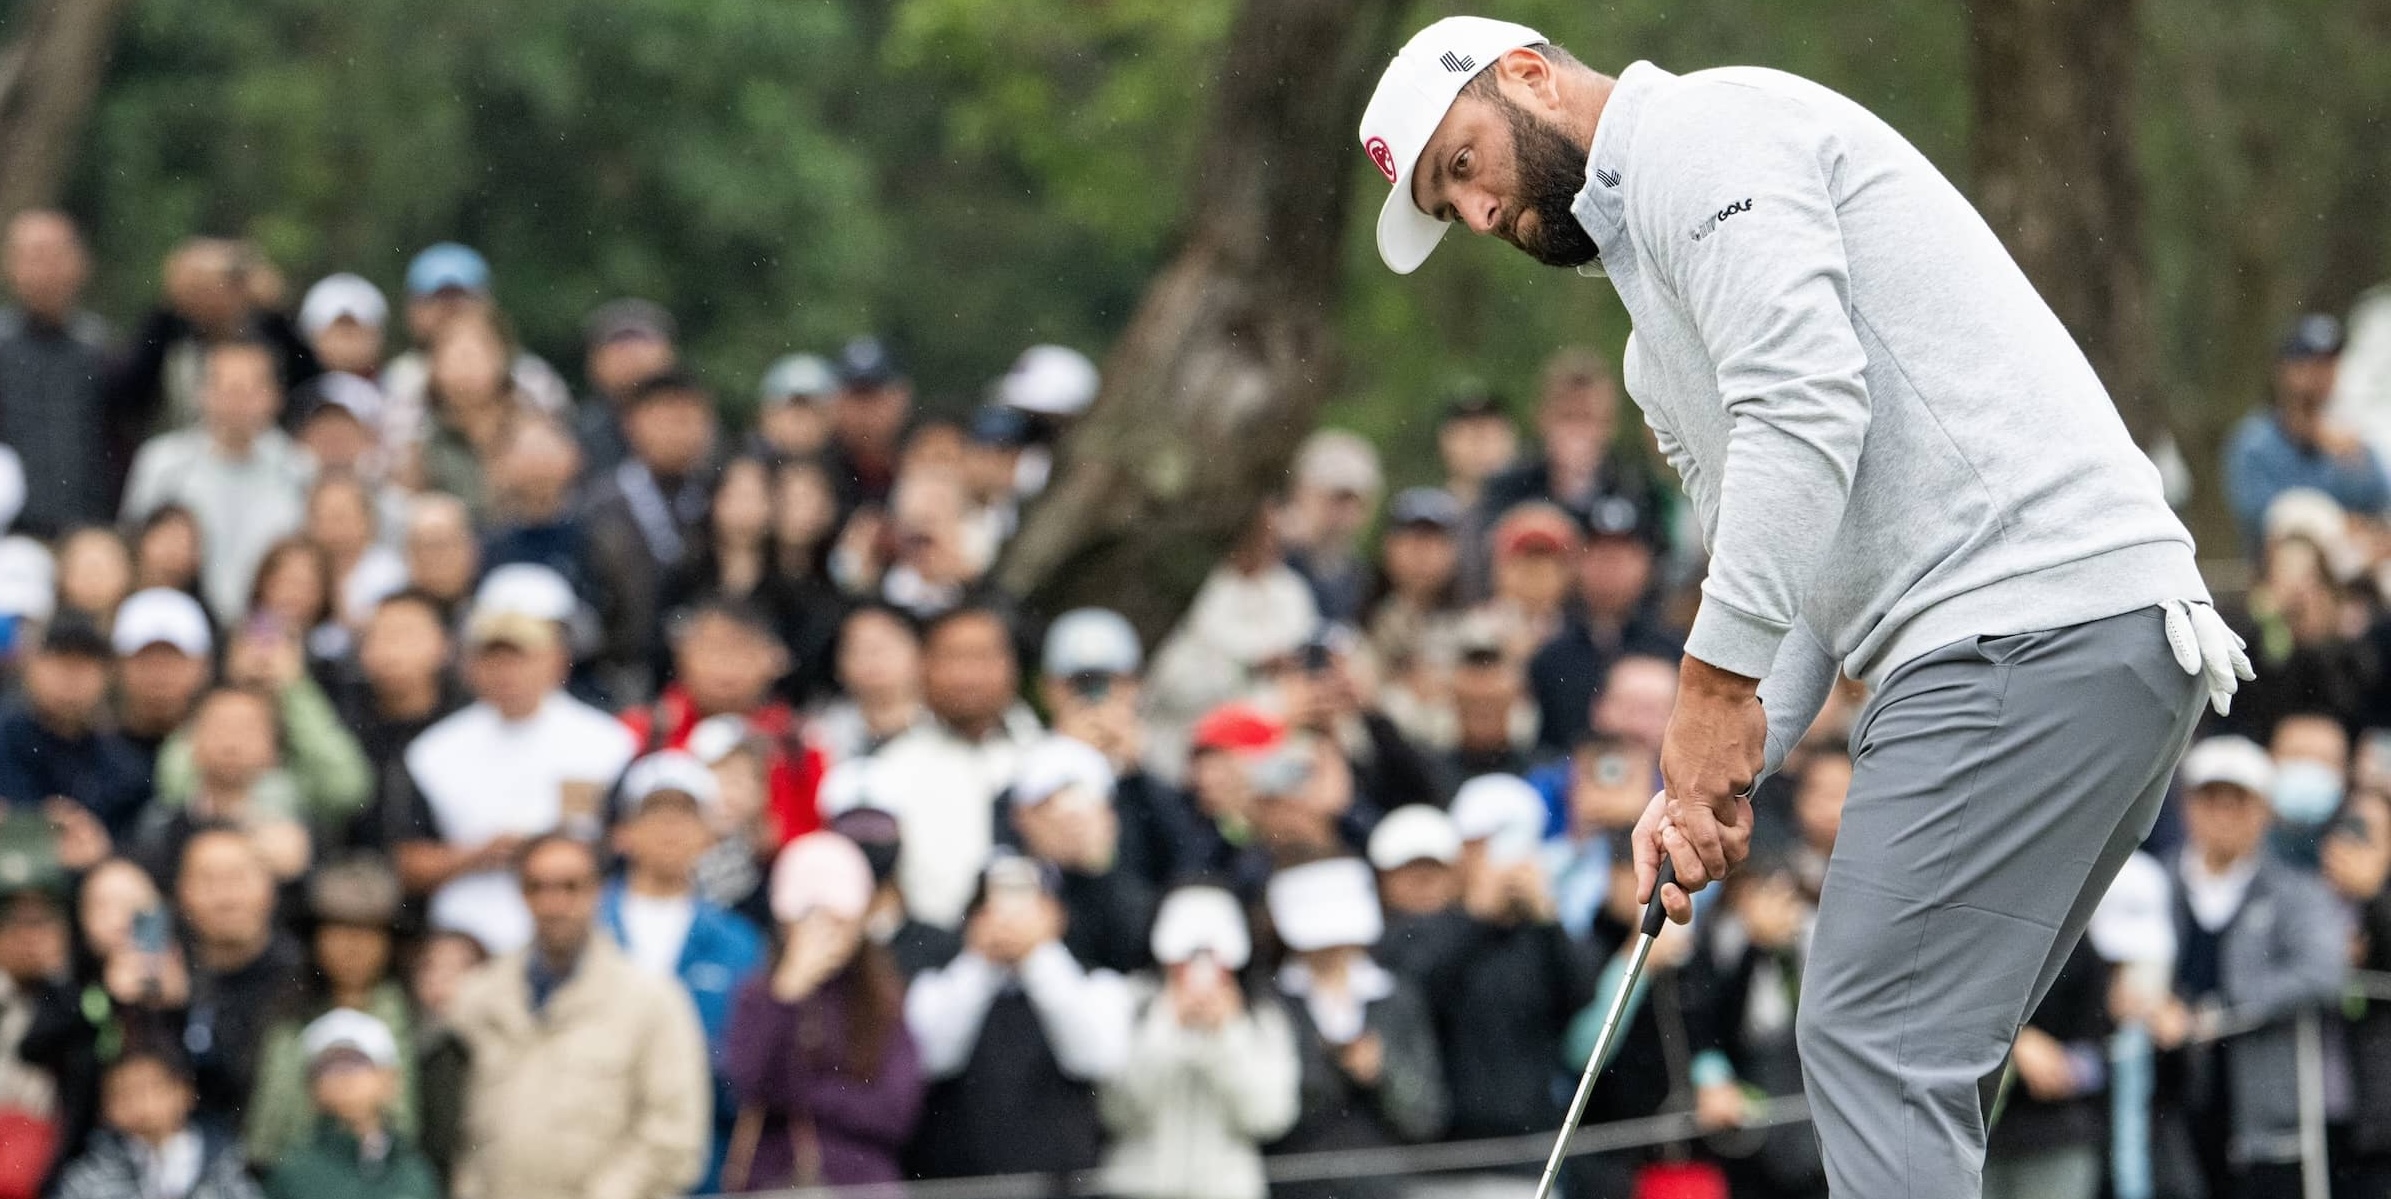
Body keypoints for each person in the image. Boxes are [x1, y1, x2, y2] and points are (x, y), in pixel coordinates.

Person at [1366, 21, 2247, 1192]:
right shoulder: (1650, 351)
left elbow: (1806, 406)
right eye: (1448, 205)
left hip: (2026, 623)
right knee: (1922, 1058)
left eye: (1463, 166)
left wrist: (1708, 690)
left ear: (1526, 75)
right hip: (2081, 637)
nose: (1476, 214)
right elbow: (1800, 578)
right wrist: (1708, 779)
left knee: (1870, 1038)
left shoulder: (1706, 131)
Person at [448, 834, 711, 1199]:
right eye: (537, 887)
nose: (554, 903)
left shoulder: (651, 1001)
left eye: (571, 887)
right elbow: (456, 1133)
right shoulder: (479, 997)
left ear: (598, 892)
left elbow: (674, 1135)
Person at [392, 569, 638, 954]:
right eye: (492, 657)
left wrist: (551, 853)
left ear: (557, 658)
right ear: (471, 664)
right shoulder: (433, 752)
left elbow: (627, 842)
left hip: (578, 940)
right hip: (468, 940)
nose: (505, 671)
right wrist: (474, 856)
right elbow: (407, 862)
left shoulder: (607, 744)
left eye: (520, 657)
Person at [2151, 736, 2348, 1199]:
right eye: (2210, 799)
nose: (2223, 814)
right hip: (2164, 1103)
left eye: (2238, 802)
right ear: (2187, 806)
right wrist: (2151, 1004)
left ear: (2263, 811)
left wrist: (2222, 1011)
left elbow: (2323, 973)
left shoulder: (2295, 893)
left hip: (2259, 1107)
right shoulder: (2156, 883)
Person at [903, 853, 1135, 1180]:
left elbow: (1096, 1058)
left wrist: (1038, 959)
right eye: (992, 907)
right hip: (964, 1186)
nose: (1007, 919)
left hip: (1060, 1187)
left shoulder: (1096, 985)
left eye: (1025, 905)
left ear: (1055, 913)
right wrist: (982, 963)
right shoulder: (937, 986)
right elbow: (930, 1058)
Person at [600, 751, 767, 1190]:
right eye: (654, 812)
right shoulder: (588, 928)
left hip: (700, 1155)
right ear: (624, 831)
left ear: (709, 834)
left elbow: (747, 1058)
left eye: (686, 814)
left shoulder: (739, 941)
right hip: (595, 1148)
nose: (670, 828)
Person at [720, 831, 925, 1190]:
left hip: (863, 1186)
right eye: (810, 918)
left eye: (837, 918)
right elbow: (746, 1084)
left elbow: (894, 1111)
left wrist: (803, 1093)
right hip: (777, 1184)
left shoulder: (883, 998)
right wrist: (785, 996)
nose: (825, 932)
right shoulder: (759, 996)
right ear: (784, 923)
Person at [1263, 856, 1447, 1199]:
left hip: (1380, 1187)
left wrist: (1382, 1072)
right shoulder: (1271, 1000)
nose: (1331, 952)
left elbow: (1427, 1115)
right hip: (1294, 1186)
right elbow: (1267, 1115)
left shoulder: (1396, 998)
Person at [1101, 885, 1301, 1199]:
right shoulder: (1129, 1004)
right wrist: (1168, 1025)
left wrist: (1228, 1033)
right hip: (1138, 1188)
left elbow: (1269, 1117)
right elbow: (1117, 1111)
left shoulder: (1262, 1017)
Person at [1430, 772, 1595, 1139]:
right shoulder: (1434, 924)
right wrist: (1478, 918)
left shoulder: (1541, 933)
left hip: (1527, 1143)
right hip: (1441, 1151)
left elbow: (1582, 995)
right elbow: (1420, 995)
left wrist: (1548, 918)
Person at [870, 603, 1042, 929]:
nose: (969, 676)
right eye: (953, 658)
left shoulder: (1043, 757)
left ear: (1012, 666)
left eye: (982, 657)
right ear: (923, 666)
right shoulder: (892, 767)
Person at [120, 339, 315, 619]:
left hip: (269, 627)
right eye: (226, 388)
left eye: (250, 389)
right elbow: (132, 549)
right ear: (201, 393)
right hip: (179, 621)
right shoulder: (161, 462)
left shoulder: (301, 470)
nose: (237, 402)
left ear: (274, 396)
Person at [243, 859, 416, 1169]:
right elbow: (265, 1137)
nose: (352, 947)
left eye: (367, 933)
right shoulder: (286, 1017)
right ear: (316, 940)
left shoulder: (412, 1018)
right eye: (338, 931)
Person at [624, 599, 826, 845]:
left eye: (742, 649)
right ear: (681, 655)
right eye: (712, 649)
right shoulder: (640, 732)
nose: (726, 665)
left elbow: (815, 837)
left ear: (775, 659)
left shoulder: (801, 743)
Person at [1472, 347, 1665, 593]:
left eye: (1589, 418)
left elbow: (1655, 576)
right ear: (1542, 418)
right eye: (1566, 417)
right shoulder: (1507, 487)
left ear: (1610, 424)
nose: (1577, 432)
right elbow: (1481, 565)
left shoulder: (1636, 489)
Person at [583, 369, 719, 703]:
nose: (679, 431)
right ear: (631, 425)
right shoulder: (600, 504)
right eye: (665, 418)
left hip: (712, 672)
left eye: (688, 418)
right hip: (623, 675)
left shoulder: (722, 494)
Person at [1039, 607, 1200, 887]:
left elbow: (1189, 860)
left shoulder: (1158, 772)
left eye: (1109, 683)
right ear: (1049, 690)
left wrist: (1136, 773)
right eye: (1080, 684)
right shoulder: (1025, 765)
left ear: (1135, 687)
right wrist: (1065, 762)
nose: (1096, 698)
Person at [376, 243, 568, 455]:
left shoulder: (530, 376)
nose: (449, 312)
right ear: (413, 311)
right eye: (436, 301)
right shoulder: (402, 378)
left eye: (460, 299)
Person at [172, 828, 304, 1130]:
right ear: (181, 893)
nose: (226, 897)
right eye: (208, 881)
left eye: (239, 878)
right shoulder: (165, 970)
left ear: (270, 887)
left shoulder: (303, 976)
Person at [1528, 496, 1683, 752]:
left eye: (1623, 555)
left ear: (1646, 564)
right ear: (1577, 563)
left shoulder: (1676, 650)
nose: (1610, 568)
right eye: (1599, 554)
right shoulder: (1549, 656)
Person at [2226, 314, 2389, 555]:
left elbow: (2380, 512)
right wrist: (2342, 526)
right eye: (2310, 363)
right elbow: (2267, 521)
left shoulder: (2352, 442)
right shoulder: (2254, 444)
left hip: (2353, 583)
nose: (2320, 375)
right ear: (2284, 369)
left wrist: (2355, 467)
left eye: (2329, 363)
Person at [0, 211, 116, 536]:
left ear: (80, 264)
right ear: (11, 266)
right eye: (33, 257)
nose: (46, 271)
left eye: (56, 256)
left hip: (89, 536)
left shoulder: (101, 347)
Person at [1004, 735, 1160, 974]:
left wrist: (1095, 869)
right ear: (1022, 818)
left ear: (1109, 816)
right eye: (1048, 806)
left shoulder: (1133, 894)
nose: (1070, 823)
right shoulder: (1001, 880)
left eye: (1085, 807)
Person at [261, 1009, 439, 1199]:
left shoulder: (415, 1173)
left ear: (390, 1079)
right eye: (328, 1067)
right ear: (311, 1087)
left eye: (358, 1062)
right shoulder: (292, 1172)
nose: (344, 1078)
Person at [0, 616, 148, 838]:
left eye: (84, 666)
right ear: (31, 665)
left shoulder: (124, 766)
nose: (71, 679)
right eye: (60, 662)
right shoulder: (6, 736)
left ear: (107, 676)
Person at [51, 1047, 262, 1199]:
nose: (141, 1104)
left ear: (185, 1092)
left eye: (151, 1089)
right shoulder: (91, 1174)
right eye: (123, 1093)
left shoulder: (224, 1167)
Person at [1280, 430, 1385, 624]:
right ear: (1301, 493)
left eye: (1356, 502)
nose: (1346, 515)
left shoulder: (1360, 577)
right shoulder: (1271, 560)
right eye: (1337, 499)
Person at [573, 298, 679, 477]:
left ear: (669, 353)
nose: (631, 354)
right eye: (618, 344)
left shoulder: (697, 425)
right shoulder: (578, 432)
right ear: (593, 361)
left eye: (643, 341)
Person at [807, 604, 924, 762]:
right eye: (857, 648)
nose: (871, 658)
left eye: (882, 646)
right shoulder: (818, 733)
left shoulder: (947, 722)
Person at [1367, 805, 1469, 981]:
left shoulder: (1479, 943)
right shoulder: (1363, 947)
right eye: (1408, 868)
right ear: (1381, 879)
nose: (1422, 881)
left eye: (1434, 868)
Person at [823, 336, 911, 516]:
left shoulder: (917, 462)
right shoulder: (818, 474)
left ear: (900, 399)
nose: (864, 411)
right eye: (856, 397)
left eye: (874, 397)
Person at [398, 493, 479, 624]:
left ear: (470, 549)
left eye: (444, 544)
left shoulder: (493, 606)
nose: (437, 558)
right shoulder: (394, 616)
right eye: (426, 546)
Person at [1435, 385, 1518, 511]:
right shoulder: (1430, 516)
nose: (1481, 446)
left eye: (1490, 434)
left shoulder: (1535, 512)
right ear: (1445, 442)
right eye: (1470, 435)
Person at [294, 273, 387, 379]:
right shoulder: (289, 392)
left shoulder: (400, 387)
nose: (347, 345)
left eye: (354, 331)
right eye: (338, 333)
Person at [752, 353, 837, 460]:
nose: (801, 421)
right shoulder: (741, 462)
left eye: (812, 410)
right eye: (791, 407)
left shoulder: (849, 463)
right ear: (766, 416)